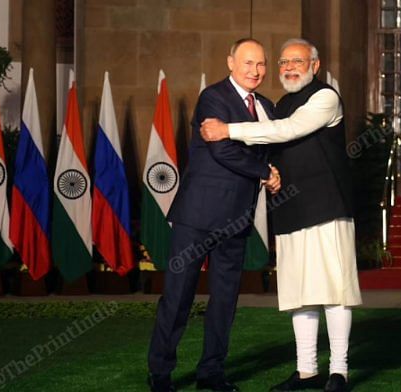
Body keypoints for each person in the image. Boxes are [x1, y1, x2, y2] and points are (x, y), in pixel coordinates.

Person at [201, 38, 362, 392]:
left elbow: (287, 130)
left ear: (315, 65)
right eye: (284, 62)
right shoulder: (281, 103)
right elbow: (271, 143)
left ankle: (339, 371)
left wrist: (228, 129)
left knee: (335, 290)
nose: (288, 67)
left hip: (327, 206)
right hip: (290, 208)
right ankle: (306, 370)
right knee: (298, 292)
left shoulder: (325, 97)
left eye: (297, 61)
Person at [147, 38, 281, 392]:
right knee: (178, 296)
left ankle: (212, 372)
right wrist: (265, 172)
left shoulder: (267, 106)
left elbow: (278, 142)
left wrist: (275, 168)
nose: (256, 71)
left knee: (225, 301)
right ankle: (160, 374)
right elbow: (223, 151)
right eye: (248, 63)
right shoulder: (214, 97)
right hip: (198, 216)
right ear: (231, 63)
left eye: (261, 64)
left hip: (237, 220)